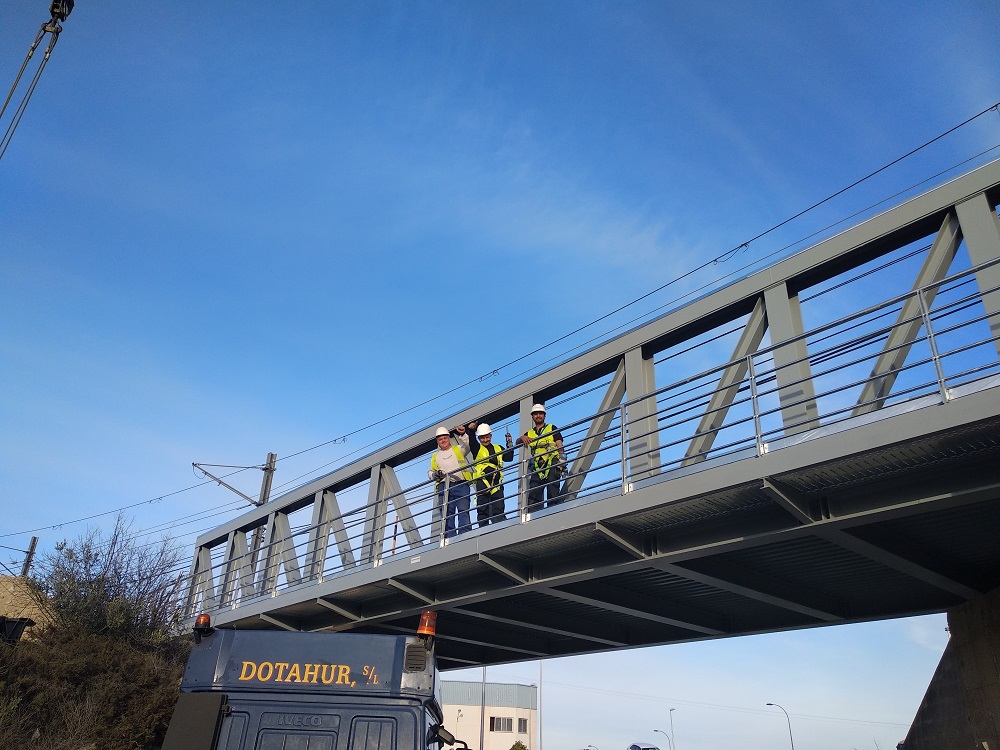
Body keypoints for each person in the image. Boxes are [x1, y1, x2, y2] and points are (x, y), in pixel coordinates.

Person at [516, 404, 567, 509]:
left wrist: (562, 459)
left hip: (552, 462)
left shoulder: (551, 428)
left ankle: (553, 513)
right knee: (534, 495)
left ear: (544, 416)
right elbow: (517, 443)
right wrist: (522, 438)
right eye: (536, 414)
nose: (538, 416)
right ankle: (534, 516)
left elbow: (559, 444)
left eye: (540, 414)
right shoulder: (529, 433)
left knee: (553, 491)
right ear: (532, 417)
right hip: (537, 466)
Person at [428, 426, 473, 537]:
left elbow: (467, 445)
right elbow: (430, 472)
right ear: (437, 441)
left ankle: (465, 535)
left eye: (445, 438)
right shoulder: (435, 456)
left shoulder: (458, 449)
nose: (443, 441)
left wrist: (463, 434)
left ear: (449, 438)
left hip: (461, 484)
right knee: (447, 513)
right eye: (440, 439)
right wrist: (435, 474)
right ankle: (450, 537)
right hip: (444, 486)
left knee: (463, 510)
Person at [467, 422, 515, 527]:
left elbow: (509, 457)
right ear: (479, 438)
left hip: (496, 483)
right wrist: (471, 430)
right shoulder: (477, 449)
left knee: (498, 508)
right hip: (482, 483)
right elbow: (472, 441)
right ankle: (483, 530)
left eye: (487, 437)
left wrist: (509, 443)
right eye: (482, 438)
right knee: (483, 509)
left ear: (491, 436)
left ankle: (499, 528)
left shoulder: (498, 448)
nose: (485, 440)